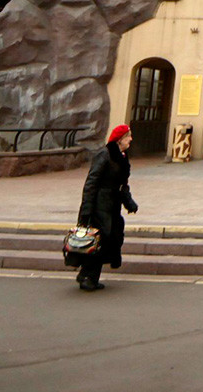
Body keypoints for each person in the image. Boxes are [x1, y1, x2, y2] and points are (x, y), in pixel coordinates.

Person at [68, 123, 138, 291]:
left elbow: (122, 185)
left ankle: (88, 275)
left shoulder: (121, 157)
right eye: (128, 136)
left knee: (109, 239)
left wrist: (129, 202)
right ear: (120, 139)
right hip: (99, 205)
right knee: (99, 240)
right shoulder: (104, 155)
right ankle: (88, 277)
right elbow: (91, 182)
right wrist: (86, 209)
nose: (131, 139)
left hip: (112, 206)